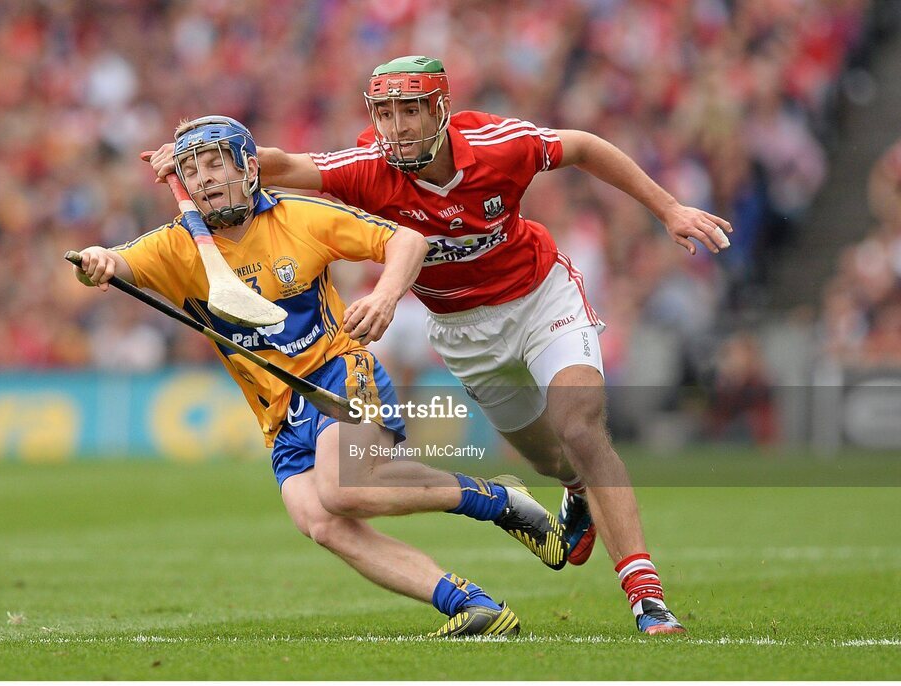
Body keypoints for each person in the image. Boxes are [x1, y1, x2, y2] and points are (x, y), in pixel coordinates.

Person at [146, 57, 735, 635]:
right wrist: (196, 151)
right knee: (549, 459)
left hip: (540, 297)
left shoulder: (499, 144)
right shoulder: (366, 166)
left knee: (580, 427)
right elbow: (276, 164)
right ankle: (574, 490)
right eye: (384, 114)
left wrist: (669, 208)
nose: (394, 128)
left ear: (440, 109)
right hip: (463, 330)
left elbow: (581, 145)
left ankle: (646, 597)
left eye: (408, 111)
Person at [77, 115, 568, 637]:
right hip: (279, 414)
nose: (204, 179)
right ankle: (472, 605)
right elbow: (116, 263)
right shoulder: (174, 249)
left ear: (250, 168)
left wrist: (383, 296)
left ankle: (497, 500)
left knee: (342, 488)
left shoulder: (298, 217)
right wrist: (96, 261)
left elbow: (410, 241)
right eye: (193, 170)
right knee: (322, 521)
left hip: (337, 371)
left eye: (216, 163)